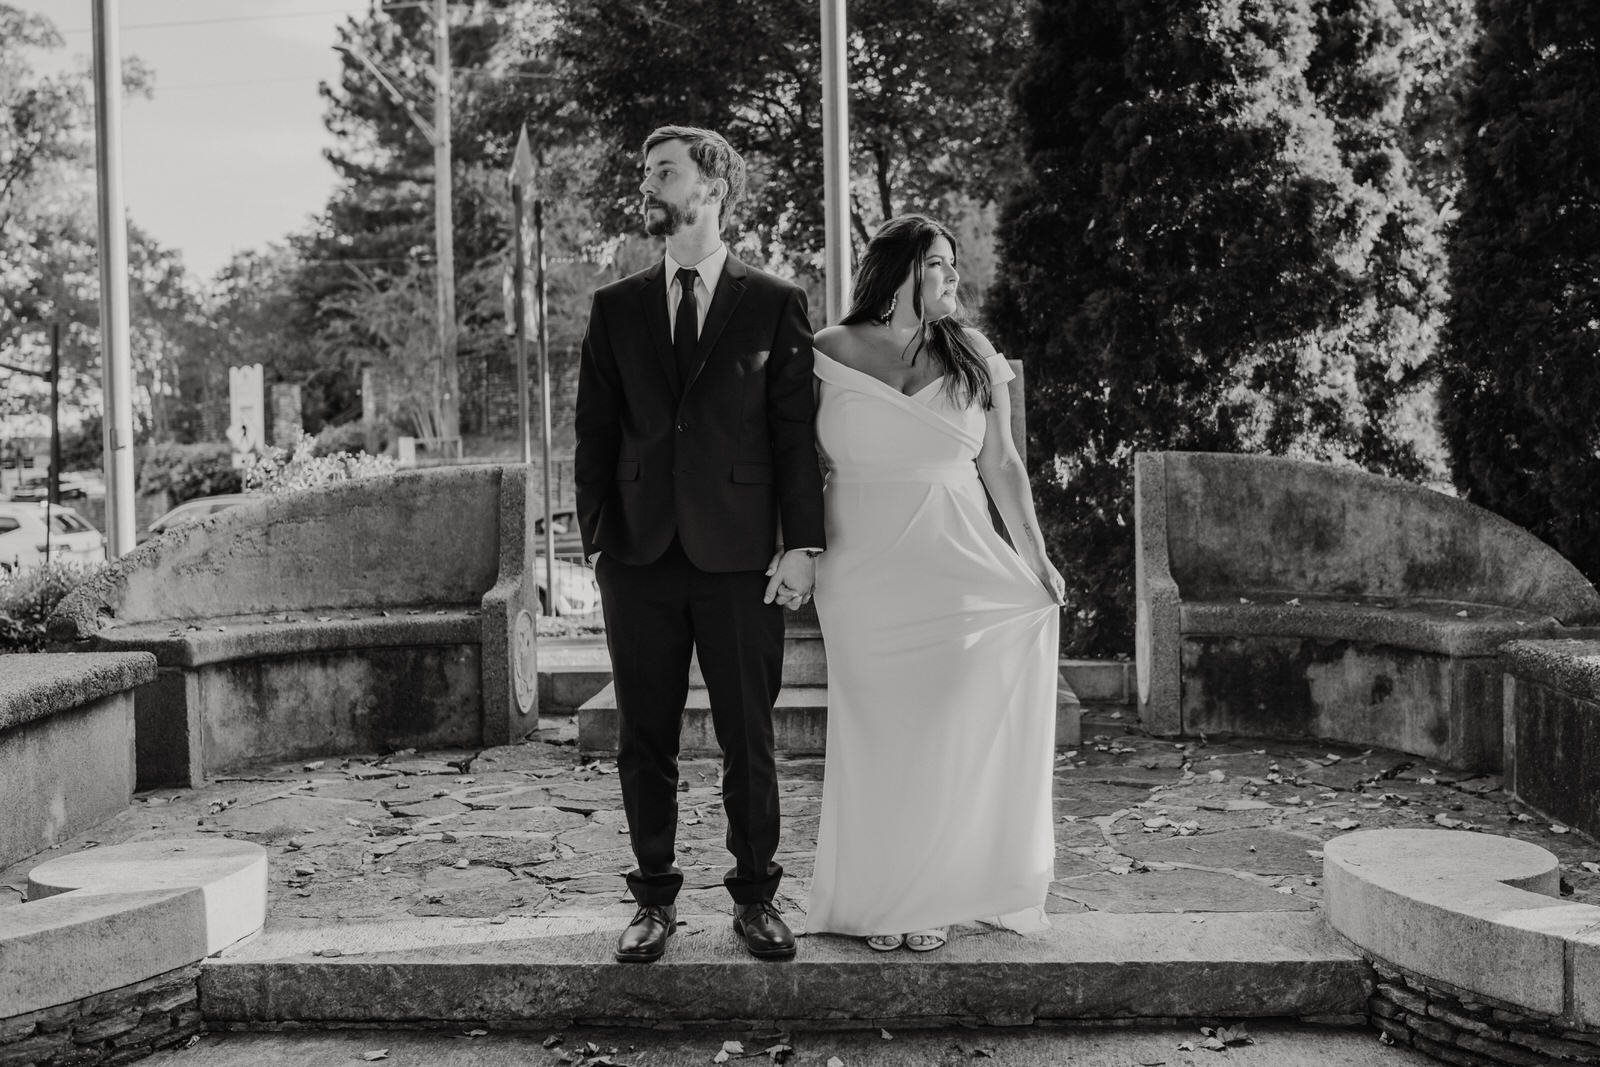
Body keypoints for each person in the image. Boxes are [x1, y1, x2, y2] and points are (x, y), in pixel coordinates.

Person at [574, 126, 826, 964]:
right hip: (639, 557)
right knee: (643, 736)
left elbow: (795, 435)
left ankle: (756, 896)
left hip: (741, 554)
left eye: (665, 171)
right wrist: (597, 541)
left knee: (748, 734)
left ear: (712, 186)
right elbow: (594, 434)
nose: (649, 183)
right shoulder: (615, 307)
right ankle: (652, 902)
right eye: (646, 170)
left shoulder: (774, 301)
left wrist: (803, 546)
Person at [804, 214, 1065, 952]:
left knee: (941, 727)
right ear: (900, 273)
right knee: (876, 730)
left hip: (955, 566)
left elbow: (1004, 465)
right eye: (941, 265)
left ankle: (930, 892)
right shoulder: (826, 351)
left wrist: (1037, 559)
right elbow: (794, 459)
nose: (955, 278)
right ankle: (875, 895)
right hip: (859, 569)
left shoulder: (974, 353)